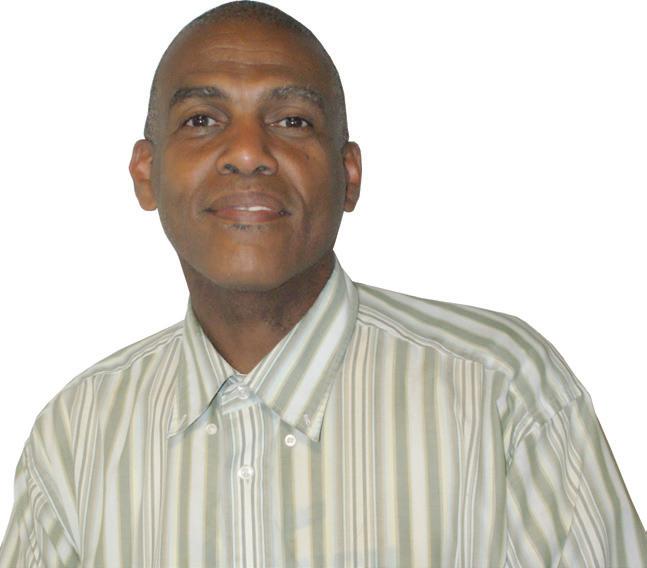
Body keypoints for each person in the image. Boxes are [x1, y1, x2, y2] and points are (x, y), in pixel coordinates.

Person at [1, 1, 645, 566]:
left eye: (292, 121)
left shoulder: (500, 389)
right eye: (201, 119)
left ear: (349, 176)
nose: (247, 152)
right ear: (147, 174)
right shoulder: (75, 436)